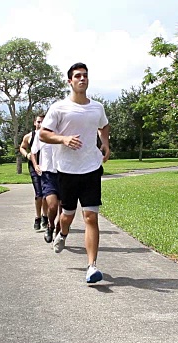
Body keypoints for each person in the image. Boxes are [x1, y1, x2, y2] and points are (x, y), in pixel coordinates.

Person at [39, 62, 111, 284]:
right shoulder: (59, 107)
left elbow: (104, 126)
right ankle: (63, 233)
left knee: (90, 216)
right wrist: (63, 139)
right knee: (67, 215)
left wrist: (105, 143)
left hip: (91, 168)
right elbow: (43, 134)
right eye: (77, 76)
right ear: (70, 81)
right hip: (67, 170)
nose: (82, 79)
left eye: (85, 76)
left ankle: (91, 266)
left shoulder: (97, 107)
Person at [30, 120, 61, 243]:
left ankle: (59, 232)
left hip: (65, 173)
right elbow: (33, 151)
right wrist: (36, 165)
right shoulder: (40, 134)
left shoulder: (64, 132)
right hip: (48, 175)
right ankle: (50, 225)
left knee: (64, 208)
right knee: (52, 205)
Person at [19, 114, 48, 230]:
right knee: (39, 194)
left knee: (47, 194)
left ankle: (45, 216)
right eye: (39, 122)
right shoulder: (29, 136)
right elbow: (22, 147)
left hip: (47, 167)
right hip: (34, 167)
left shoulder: (48, 135)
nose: (41, 124)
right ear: (35, 123)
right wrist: (27, 155)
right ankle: (37, 217)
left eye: (43, 122)